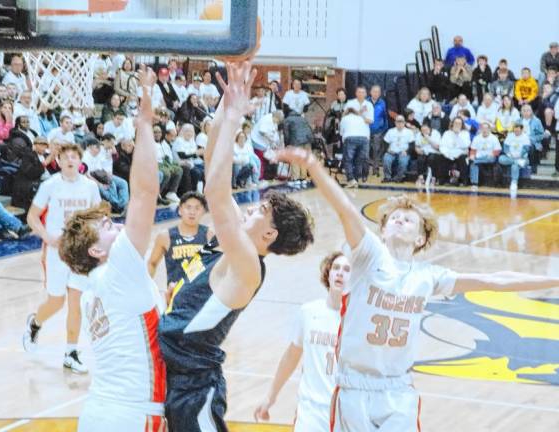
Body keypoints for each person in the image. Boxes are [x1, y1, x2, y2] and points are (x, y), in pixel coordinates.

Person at [274, 149, 559, 432]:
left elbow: (494, 280)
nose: (399, 220)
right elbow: (346, 210)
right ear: (382, 231)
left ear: (421, 237)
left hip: (398, 389)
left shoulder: (428, 277)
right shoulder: (368, 256)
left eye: (408, 220)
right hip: (353, 386)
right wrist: (315, 167)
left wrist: (554, 281)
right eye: (393, 218)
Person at [159, 62, 314, 432]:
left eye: (261, 210)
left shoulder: (247, 264)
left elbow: (215, 189)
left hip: (195, 386)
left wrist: (233, 118)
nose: (249, 209)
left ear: (270, 235)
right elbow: (212, 162)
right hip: (171, 370)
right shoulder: (233, 249)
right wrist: (223, 108)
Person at [57, 66, 167, 431]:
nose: (116, 225)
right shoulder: (118, 267)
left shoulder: (93, 292)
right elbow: (146, 194)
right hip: (132, 414)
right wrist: (146, 122)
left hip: (98, 413)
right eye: (105, 227)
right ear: (96, 252)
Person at [22, 143, 102, 373]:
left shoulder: (89, 187)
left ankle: (71, 352)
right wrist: (47, 237)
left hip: (80, 253)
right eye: (65, 156)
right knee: (56, 302)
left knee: (76, 302)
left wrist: (94, 242)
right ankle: (35, 323)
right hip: (57, 252)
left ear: (80, 161)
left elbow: (97, 217)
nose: (70, 160)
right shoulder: (50, 185)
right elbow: (32, 216)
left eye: (74, 157)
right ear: (58, 160)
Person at [253, 251, 351, 431]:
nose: (340, 273)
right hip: (310, 412)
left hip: (345, 414)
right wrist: (271, 396)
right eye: (336, 268)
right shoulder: (308, 312)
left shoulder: (357, 321)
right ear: (328, 274)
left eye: (346, 270)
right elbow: (291, 356)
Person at [148, 191, 212, 297]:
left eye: (197, 208)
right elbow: (152, 263)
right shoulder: (165, 236)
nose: (192, 212)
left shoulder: (209, 235)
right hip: (175, 297)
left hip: (202, 296)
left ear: (203, 211)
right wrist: (148, 289)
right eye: (188, 207)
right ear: (180, 210)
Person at [82, 136, 129, 214]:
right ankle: (119, 207)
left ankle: (122, 206)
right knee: (105, 188)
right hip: (91, 180)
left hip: (101, 176)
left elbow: (101, 170)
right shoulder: (85, 156)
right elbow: (87, 175)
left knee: (119, 183)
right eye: (96, 147)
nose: (98, 149)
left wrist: (107, 178)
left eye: (99, 147)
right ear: (90, 147)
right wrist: (100, 183)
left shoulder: (96, 155)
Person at [283, 109, 314, 184]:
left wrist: (287, 144)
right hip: (307, 140)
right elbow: (310, 129)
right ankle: (303, 178)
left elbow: (286, 133)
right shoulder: (302, 119)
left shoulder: (287, 120)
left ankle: (296, 178)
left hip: (296, 141)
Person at [469, 123, 502, 191]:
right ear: (480, 130)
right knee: (473, 163)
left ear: (489, 129)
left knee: (476, 161)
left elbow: (498, 150)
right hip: (479, 157)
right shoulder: (476, 138)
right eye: (483, 128)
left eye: (486, 128)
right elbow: (473, 150)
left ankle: (475, 161)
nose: (484, 130)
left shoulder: (494, 138)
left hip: (489, 157)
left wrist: (493, 154)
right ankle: (474, 184)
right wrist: (472, 156)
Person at [382, 115, 414, 183]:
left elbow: (412, 145)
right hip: (392, 152)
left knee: (403, 162)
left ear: (404, 122)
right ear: (395, 122)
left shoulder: (409, 132)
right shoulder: (390, 131)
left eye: (401, 122)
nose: (399, 123)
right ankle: (387, 177)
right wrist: (387, 150)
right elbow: (385, 143)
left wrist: (407, 151)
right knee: (386, 159)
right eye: (398, 122)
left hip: (403, 152)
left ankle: (399, 178)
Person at [440, 117, 471, 186]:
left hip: (460, 154)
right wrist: (446, 154)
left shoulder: (465, 133)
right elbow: (442, 146)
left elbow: (466, 145)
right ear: (452, 124)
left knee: (463, 158)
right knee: (441, 157)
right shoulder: (447, 133)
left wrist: (458, 134)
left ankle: (463, 181)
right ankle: (444, 180)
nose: (457, 125)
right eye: (456, 123)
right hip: (449, 154)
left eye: (459, 123)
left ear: (462, 125)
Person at [366, 85, 389, 177]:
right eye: (374, 91)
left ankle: (375, 170)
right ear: (370, 92)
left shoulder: (382, 103)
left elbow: (385, 117)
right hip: (366, 131)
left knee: (377, 151)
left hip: (378, 131)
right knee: (366, 151)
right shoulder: (365, 102)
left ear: (380, 93)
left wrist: (383, 129)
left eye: (378, 92)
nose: (376, 93)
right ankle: (366, 169)